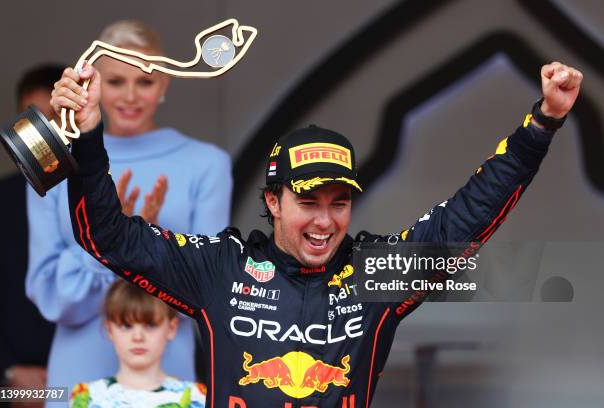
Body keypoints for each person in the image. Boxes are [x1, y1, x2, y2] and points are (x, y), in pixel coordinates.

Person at [51, 58, 582, 407]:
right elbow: (109, 237)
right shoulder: (220, 268)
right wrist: (90, 137)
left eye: (339, 203)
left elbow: (466, 218)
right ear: (273, 203)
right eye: (307, 202)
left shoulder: (375, 275)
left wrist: (543, 125)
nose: (325, 220)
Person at [26, 20, 232, 395]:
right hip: (77, 374)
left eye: (146, 81)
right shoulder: (55, 159)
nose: (131, 96)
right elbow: (48, 295)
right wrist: (111, 240)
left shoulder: (207, 164)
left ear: (166, 82)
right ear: (94, 83)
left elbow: (209, 290)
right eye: (117, 82)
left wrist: (144, 242)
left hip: (167, 374)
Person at [0, 65, 63, 402]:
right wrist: (8, 372)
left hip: (96, 380)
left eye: (54, 116)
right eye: (31, 118)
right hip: (13, 384)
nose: (43, 130)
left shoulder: (108, 199)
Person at [69, 279, 205, 408]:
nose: (138, 337)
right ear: (109, 329)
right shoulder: (86, 397)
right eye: (126, 326)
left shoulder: (196, 397)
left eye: (150, 325)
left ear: (171, 328)